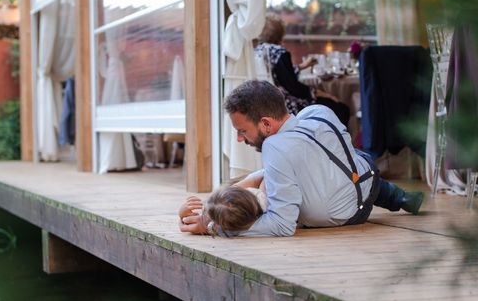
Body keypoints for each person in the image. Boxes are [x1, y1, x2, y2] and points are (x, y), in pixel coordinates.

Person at [179, 80, 424, 237]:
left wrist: (215, 228)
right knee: (345, 155)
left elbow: (282, 225)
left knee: (278, 171)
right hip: (365, 181)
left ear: (265, 124)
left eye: (242, 131)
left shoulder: (274, 146)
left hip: (347, 214)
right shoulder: (318, 111)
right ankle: (399, 197)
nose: (240, 139)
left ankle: (396, 196)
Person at [254, 13, 351, 126]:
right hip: (287, 106)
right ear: (280, 33)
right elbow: (294, 87)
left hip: (267, 104)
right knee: (341, 109)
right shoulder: (279, 52)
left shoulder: (258, 52)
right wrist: (319, 93)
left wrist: (301, 66)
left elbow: (279, 75)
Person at [179, 174, 267, 235]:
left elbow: (188, 222)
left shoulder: (223, 218)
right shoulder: (261, 196)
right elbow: (263, 177)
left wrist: (182, 214)